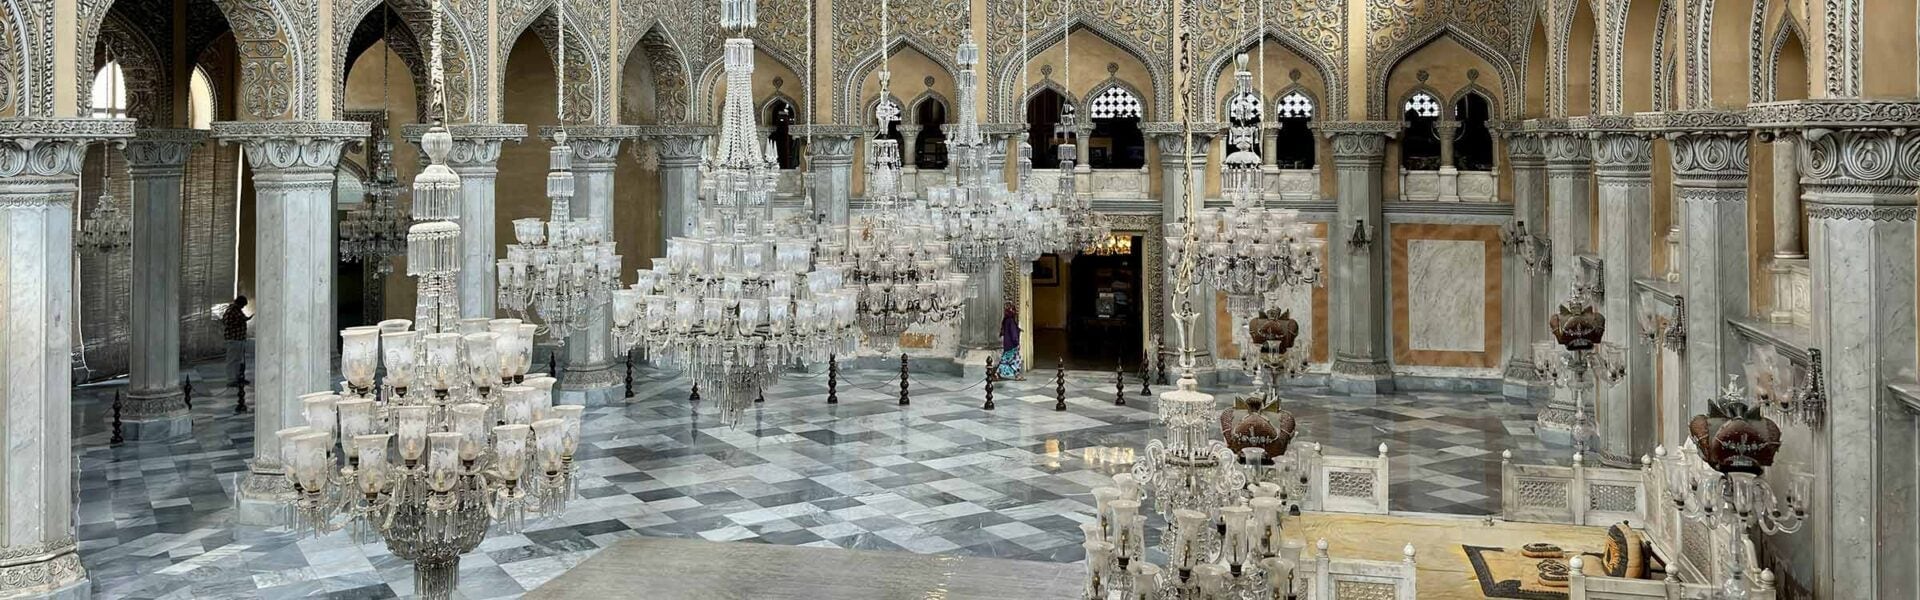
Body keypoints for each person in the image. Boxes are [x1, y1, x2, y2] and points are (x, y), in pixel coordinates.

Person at [223, 296, 251, 385]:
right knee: (232, 360)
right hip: (233, 338)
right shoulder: (231, 310)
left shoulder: (237, 310)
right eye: (243, 305)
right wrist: (240, 321)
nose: (243, 307)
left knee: (238, 360)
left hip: (239, 338)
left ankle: (238, 377)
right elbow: (227, 322)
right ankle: (231, 379)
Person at [998, 303, 1023, 380]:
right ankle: (1016, 375)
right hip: (1012, 345)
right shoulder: (1011, 321)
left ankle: (998, 373)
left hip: (1007, 344)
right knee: (1013, 360)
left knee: (1008, 360)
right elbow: (1013, 333)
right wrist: (1017, 342)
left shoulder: (1006, 320)